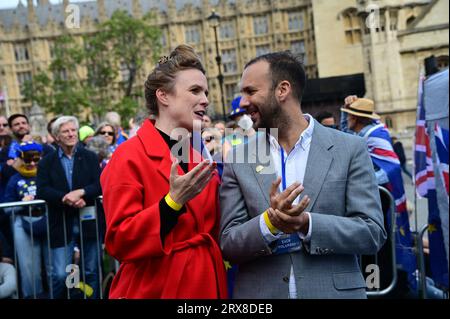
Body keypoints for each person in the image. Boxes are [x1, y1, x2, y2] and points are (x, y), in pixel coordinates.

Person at [219, 51, 386, 299]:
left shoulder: (349, 149)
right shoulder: (238, 158)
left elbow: (372, 233)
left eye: (250, 92)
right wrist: (269, 223)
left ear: (282, 90)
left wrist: (307, 223)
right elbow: (229, 244)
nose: (242, 103)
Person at [100, 44, 228, 299]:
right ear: (164, 96)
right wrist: (172, 203)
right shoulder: (128, 155)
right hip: (156, 287)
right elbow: (119, 241)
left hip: (206, 282)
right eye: (194, 90)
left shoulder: (195, 157)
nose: (205, 99)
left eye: (205, 91)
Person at [341, 96, 417, 295]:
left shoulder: (374, 135)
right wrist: (346, 108)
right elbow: (343, 135)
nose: (347, 118)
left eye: (349, 115)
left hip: (379, 204)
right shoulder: (364, 132)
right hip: (373, 204)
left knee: (379, 252)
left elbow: (391, 167)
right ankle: (375, 286)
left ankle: (380, 287)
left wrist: (362, 184)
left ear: (356, 118)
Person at [36, 116, 103, 299]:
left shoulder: (89, 157)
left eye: (73, 130)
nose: (71, 134)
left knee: (91, 270)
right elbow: (41, 190)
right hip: (61, 222)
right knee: (59, 274)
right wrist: (66, 198)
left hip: (88, 220)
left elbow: (99, 184)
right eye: (66, 131)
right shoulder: (46, 162)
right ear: (57, 136)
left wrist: (81, 192)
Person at [3, 141, 48, 298]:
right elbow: (6, 208)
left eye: (35, 159)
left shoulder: (47, 175)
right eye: (27, 159)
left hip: (49, 223)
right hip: (23, 223)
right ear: (21, 158)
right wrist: (21, 204)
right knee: (30, 271)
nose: (32, 163)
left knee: (54, 269)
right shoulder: (14, 179)